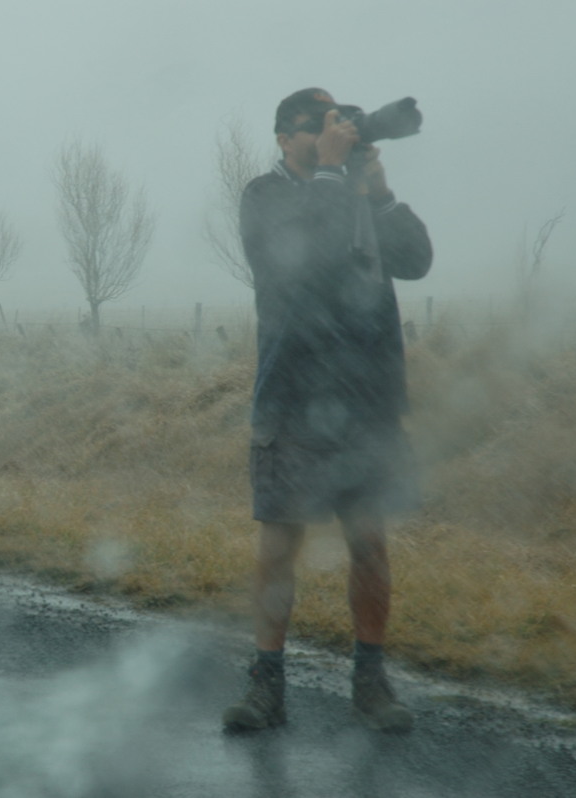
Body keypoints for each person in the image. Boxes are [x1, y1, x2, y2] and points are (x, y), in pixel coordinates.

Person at [222, 88, 433, 733]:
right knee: (282, 542)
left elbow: (417, 261)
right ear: (284, 137)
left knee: (368, 541)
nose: (329, 134)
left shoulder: (355, 193)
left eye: (337, 124)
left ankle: (370, 681)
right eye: (315, 127)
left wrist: (379, 190)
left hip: (367, 399)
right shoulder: (265, 195)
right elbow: (299, 256)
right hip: (292, 394)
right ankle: (267, 687)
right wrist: (339, 178)